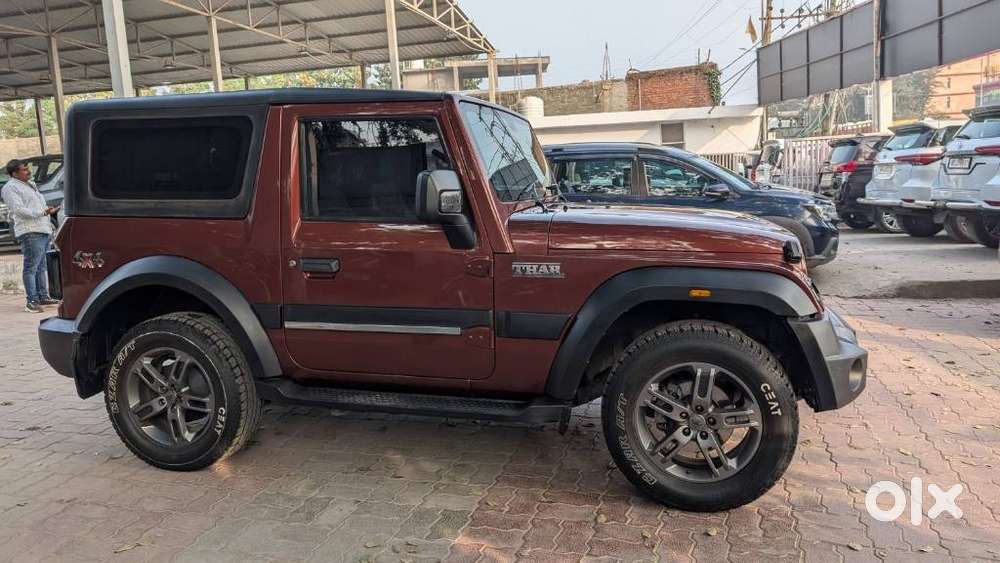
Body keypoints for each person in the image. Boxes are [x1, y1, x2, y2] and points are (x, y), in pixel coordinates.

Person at [1, 159, 59, 312]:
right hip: (30, 231)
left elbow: (37, 204)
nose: (28, 171)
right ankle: (31, 301)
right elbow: (19, 210)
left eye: (27, 168)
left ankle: (43, 296)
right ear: (14, 173)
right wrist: (42, 212)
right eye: (24, 169)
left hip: (43, 229)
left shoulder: (30, 184)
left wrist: (48, 211)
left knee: (41, 266)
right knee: (31, 267)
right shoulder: (10, 188)